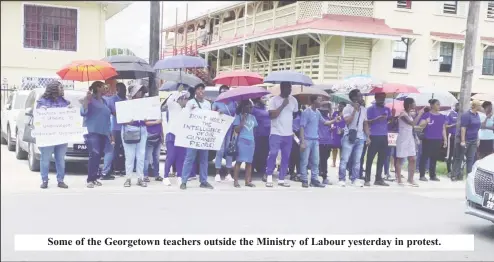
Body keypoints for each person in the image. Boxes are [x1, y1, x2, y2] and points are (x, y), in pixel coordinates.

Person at [36, 81, 71, 189]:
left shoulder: (65, 102)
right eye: (61, 87)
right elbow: (38, 116)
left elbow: (70, 117)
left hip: (61, 135)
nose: (63, 89)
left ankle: (60, 180)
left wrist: (71, 111)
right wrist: (41, 111)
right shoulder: (42, 101)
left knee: (60, 158)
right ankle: (45, 180)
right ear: (54, 89)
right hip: (48, 136)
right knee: (45, 158)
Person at [299, 96, 340, 188]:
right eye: (319, 100)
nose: (321, 102)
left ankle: (314, 179)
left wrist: (334, 120)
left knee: (316, 161)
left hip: (315, 140)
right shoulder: (306, 112)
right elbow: (302, 126)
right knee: (304, 161)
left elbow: (324, 122)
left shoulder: (317, 113)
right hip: (307, 139)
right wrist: (302, 141)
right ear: (313, 101)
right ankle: (304, 179)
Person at [264, 82, 299, 187]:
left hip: (288, 133)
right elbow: (271, 115)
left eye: (290, 88)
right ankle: (269, 175)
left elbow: (295, 114)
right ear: (282, 88)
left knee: (286, 156)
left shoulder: (294, 100)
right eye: (288, 88)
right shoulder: (273, 100)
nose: (290, 90)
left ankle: (281, 178)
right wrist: (283, 105)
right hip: (276, 132)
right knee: (273, 153)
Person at [180, 84, 214, 190]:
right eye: (198, 89)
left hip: (204, 134)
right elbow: (185, 116)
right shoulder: (190, 103)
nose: (201, 91)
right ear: (195, 91)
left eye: (202, 89)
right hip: (194, 135)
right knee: (189, 158)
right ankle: (184, 181)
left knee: (204, 159)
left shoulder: (208, 104)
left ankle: (203, 181)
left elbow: (211, 117)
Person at [80, 81, 113, 188]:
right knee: (94, 154)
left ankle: (94, 178)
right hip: (92, 131)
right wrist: (86, 100)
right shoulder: (90, 99)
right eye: (104, 87)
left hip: (103, 132)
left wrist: (110, 133)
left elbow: (108, 117)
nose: (106, 89)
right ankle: (90, 179)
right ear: (98, 88)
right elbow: (83, 112)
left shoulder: (104, 101)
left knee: (99, 156)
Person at [338, 89, 369, 187]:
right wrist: (354, 111)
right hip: (349, 136)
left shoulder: (364, 109)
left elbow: (365, 124)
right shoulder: (347, 108)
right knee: (345, 159)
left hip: (360, 137)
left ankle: (355, 178)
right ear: (354, 98)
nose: (362, 97)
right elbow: (347, 121)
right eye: (360, 96)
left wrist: (368, 136)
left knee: (357, 160)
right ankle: (342, 178)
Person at [364, 92, 393, 187]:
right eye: (380, 98)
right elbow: (367, 122)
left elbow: (389, 120)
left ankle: (378, 179)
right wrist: (377, 118)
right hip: (374, 135)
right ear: (376, 98)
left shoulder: (387, 109)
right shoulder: (370, 109)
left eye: (383, 98)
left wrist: (392, 116)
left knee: (382, 158)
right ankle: (367, 179)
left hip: (384, 136)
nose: (382, 100)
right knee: (370, 158)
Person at [121, 85, 148, 187]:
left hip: (142, 130)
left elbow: (150, 116)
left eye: (141, 91)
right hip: (129, 130)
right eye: (138, 91)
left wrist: (147, 118)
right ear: (133, 93)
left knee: (141, 155)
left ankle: (140, 178)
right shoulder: (125, 104)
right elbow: (121, 119)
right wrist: (127, 121)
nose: (140, 93)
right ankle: (128, 178)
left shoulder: (145, 104)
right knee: (130, 156)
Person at [163, 91, 190, 186]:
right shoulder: (173, 106)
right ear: (181, 99)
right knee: (171, 156)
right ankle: (165, 177)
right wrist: (177, 91)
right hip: (171, 134)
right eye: (185, 98)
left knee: (180, 157)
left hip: (181, 136)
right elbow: (169, 100)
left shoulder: (186, 109)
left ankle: (179, 176)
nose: (187, 101)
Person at [417, 99, 447, 182]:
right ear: (432, 105)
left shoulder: (442, 116)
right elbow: (420, 125)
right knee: (425, 157)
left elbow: (443, 129)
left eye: (439, 104)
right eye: (437, 104)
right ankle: (422, 175)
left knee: (434, 157)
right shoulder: (427, 115)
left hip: (438, 139)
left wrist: (445, 139)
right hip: (428, 138)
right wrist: (426, 121)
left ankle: (432, 175)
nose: (439, 106)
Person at [452, 101, 482, 181]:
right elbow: (463, 128)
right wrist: (462, 140)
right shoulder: (466, 115)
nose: (481, 107)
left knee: (470, 158)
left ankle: (469, 176)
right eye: (480, 106)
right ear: (476, 106)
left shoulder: (477, 115)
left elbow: (477, 128)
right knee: (459, 157)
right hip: (465, 139)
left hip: (473, 140)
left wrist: (477, 139)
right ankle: (454, 175)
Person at [212, 85, 236, 182]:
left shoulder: (233, 103)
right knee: (220, 150)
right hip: (219, 130)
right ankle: (217, 173)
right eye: (222, 91)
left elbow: (236, 114)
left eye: (226, 91)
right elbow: (211, 114)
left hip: (230, 130)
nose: (224, 93)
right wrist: (217, 112)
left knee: (229, 151)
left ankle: (228, 174)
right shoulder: (217, 102)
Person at [232, 100, 258, 188]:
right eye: (249, 107)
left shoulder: (253, 117)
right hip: (242, 140)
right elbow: (236, 130)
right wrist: (242, 121)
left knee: (249, 162)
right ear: (244, 107)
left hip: (251, 141)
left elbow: (254, 129)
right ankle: (236, 181)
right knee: (239, 161)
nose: (251, 108)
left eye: (252, 107)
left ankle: (247, 181)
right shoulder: (238, 116)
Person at [395, 98, 419, 187]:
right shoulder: (402, 114)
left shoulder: (409, 114)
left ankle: (410, 179)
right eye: (414, 103)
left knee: (412, 158)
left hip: (410, 138)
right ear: (409, 105)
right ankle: (399, 179)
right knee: (400, 158)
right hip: (402, 139)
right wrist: (420, 114)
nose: (415, 105)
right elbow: (412, 123)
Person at [105, 82, 127, 177]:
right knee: (115, 149)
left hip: (126, 128)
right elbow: (113, 112)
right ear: (117, 90)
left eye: (124, 89)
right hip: (116, 128)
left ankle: (122, 168)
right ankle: (114, 168)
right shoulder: (112, 99)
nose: (124, 91)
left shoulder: (127, 100)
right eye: (122, 89)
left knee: (124, 149)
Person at [143, 111, 164, 182]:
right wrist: (156, 122)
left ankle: (156, 175)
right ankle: (145, 175)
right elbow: (145, 123)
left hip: (158, 136)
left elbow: (161, 124)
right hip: (149, 136)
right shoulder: (146, 111)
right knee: (147, 158)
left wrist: (162, 136)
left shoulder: (158, 111)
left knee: (156, 157)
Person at [252, 97, 270, 174]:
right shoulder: (253, 109)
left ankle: (262, 168)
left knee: (265, 152)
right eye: (263, 98)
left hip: (267, 133)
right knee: (256, 152)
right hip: (258, 133)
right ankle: (252, 167)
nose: (265, 100)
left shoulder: (265, 108)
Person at [318, 102, 334, 185]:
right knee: (323, 160)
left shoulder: (328, 117)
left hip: (328, 141)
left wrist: (331, 129)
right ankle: (324, 176)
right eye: (324, 110)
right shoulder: (319, 117)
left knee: (325, 158)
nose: (326, 111)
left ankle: (321, 172)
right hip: (321, 141)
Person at [330, 102, 346, 167]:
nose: (340, 107)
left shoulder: (346, 114)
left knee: (342, 148)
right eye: (339, 106)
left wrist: (343, 130)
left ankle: (341, 163)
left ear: (345, 107)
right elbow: (331, 119)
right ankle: (333, 162)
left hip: (343, 131)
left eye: (341, 106)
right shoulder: (335, 113)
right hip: (335, 131)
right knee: (334, 147)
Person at [446, 103, 459, 175]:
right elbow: (446, 126)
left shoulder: (461, 114)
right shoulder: (450, 114)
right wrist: (454, 125)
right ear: (456, 106)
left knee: (457, 154)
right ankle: (449, 171)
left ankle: (455, 170)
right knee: (450, 154)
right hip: (452, 136)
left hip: (459, 136)